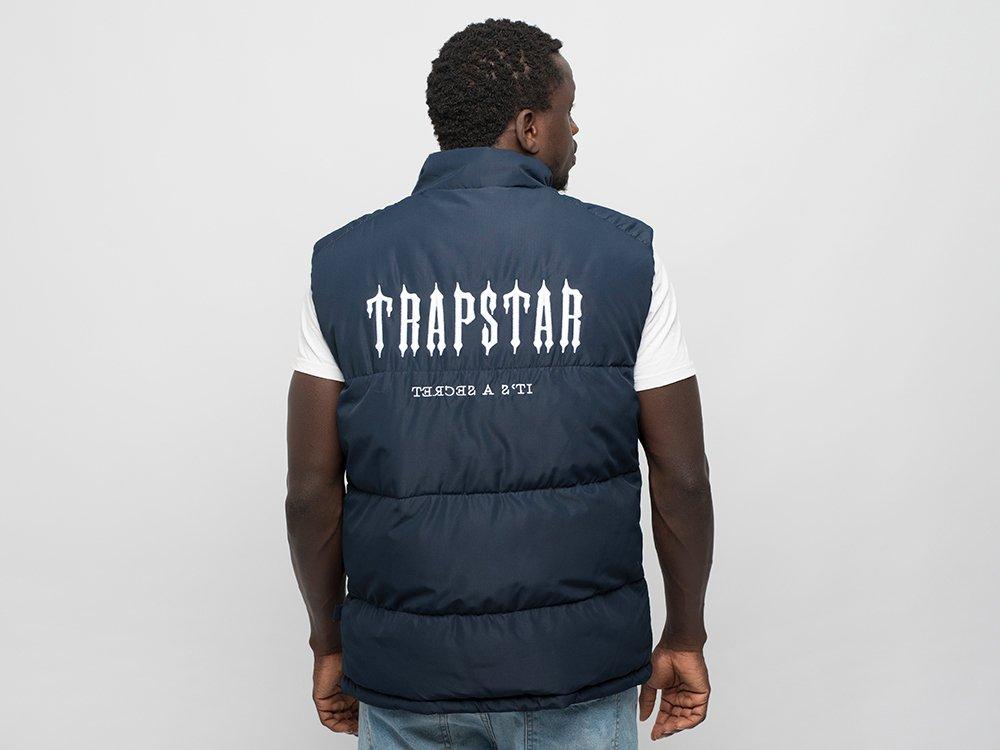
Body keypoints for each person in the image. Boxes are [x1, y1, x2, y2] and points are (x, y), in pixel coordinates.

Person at [286, 18, 714, 748]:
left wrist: (330, 643)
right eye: (567, 111)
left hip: (407, 675)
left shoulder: (342, 265)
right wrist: (685, 633)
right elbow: (682, 477)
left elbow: (310, 490)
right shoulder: (626, 258)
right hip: (577, 670)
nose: (575, 129)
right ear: (528, 126)